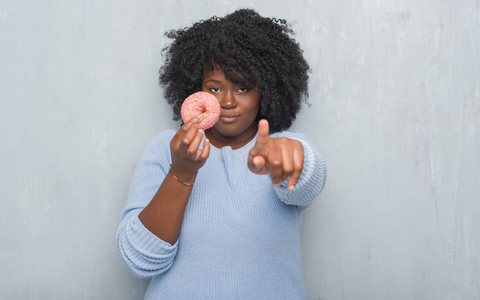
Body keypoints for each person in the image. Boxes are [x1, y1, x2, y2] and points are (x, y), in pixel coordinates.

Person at [116, 8, 327, 299]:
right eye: (215, 88)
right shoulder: (165, 149)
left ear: (265, 91)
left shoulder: (282, 146)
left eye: (243, 87)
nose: (227, 101)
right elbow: (140, 260)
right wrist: (181, 173)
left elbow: (307, 182)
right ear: (195, 91)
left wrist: (292, 161)